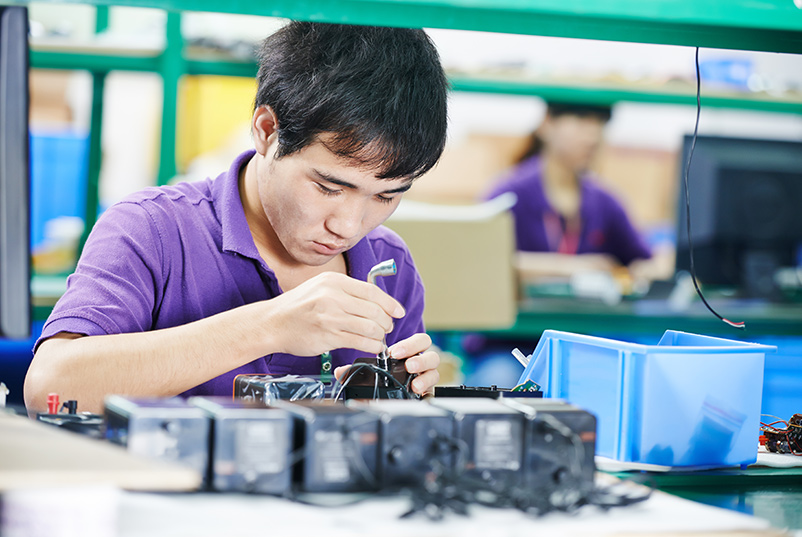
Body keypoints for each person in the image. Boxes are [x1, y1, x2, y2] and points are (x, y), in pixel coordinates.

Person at [24, 22, 448, 414]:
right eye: (328, 187)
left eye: (387, 195)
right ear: (266, 130)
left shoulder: (387, 263)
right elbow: (51, 388)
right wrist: (270, 326)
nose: (349, 227)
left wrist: (406, 402)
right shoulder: (151, 230)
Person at [483, 101, 651, 276]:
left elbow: (644, 262)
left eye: (601, 122)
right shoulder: (507, 195)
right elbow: (482, 262)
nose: (593, 136)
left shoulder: (606, 203)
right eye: (581, 119)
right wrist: (573, 268)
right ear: (547, 123)